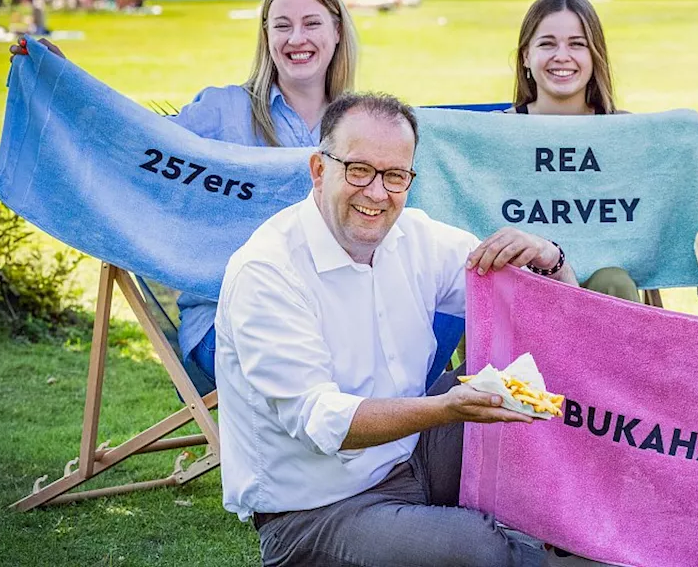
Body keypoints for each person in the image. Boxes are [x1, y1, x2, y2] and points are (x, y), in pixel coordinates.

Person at [217, 91, 575, 566]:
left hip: (413, 459)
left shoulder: (415, 236)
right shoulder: (266, 271)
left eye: (395, 176)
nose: (378, 193)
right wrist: (445, 407)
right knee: (477, 549)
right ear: (319, 170)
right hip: (315, 512)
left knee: (534, 372)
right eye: (359, 170)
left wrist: (549, 254)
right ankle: (534, 551)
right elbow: (322, 422)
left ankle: (582, 530)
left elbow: (548, 316)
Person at [11, 0, 359, 383]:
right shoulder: (223, 112)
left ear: (337, 30)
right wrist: (64, 84)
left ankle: (402, 445)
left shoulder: (362, 127)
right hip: (230, 322)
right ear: (266, 35)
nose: (296, 38)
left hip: (337, 320)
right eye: (282, 25)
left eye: (312, 23)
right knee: (331, 368)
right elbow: (136, 144)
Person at [505, 0, 638, 303]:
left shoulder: (628, 133)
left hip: (602, 295)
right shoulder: (496, 133)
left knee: (614, 279)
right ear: (526, 55)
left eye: (577, 44)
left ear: (595, 55)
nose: (561, 56)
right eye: (547, 44)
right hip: (518, 288)